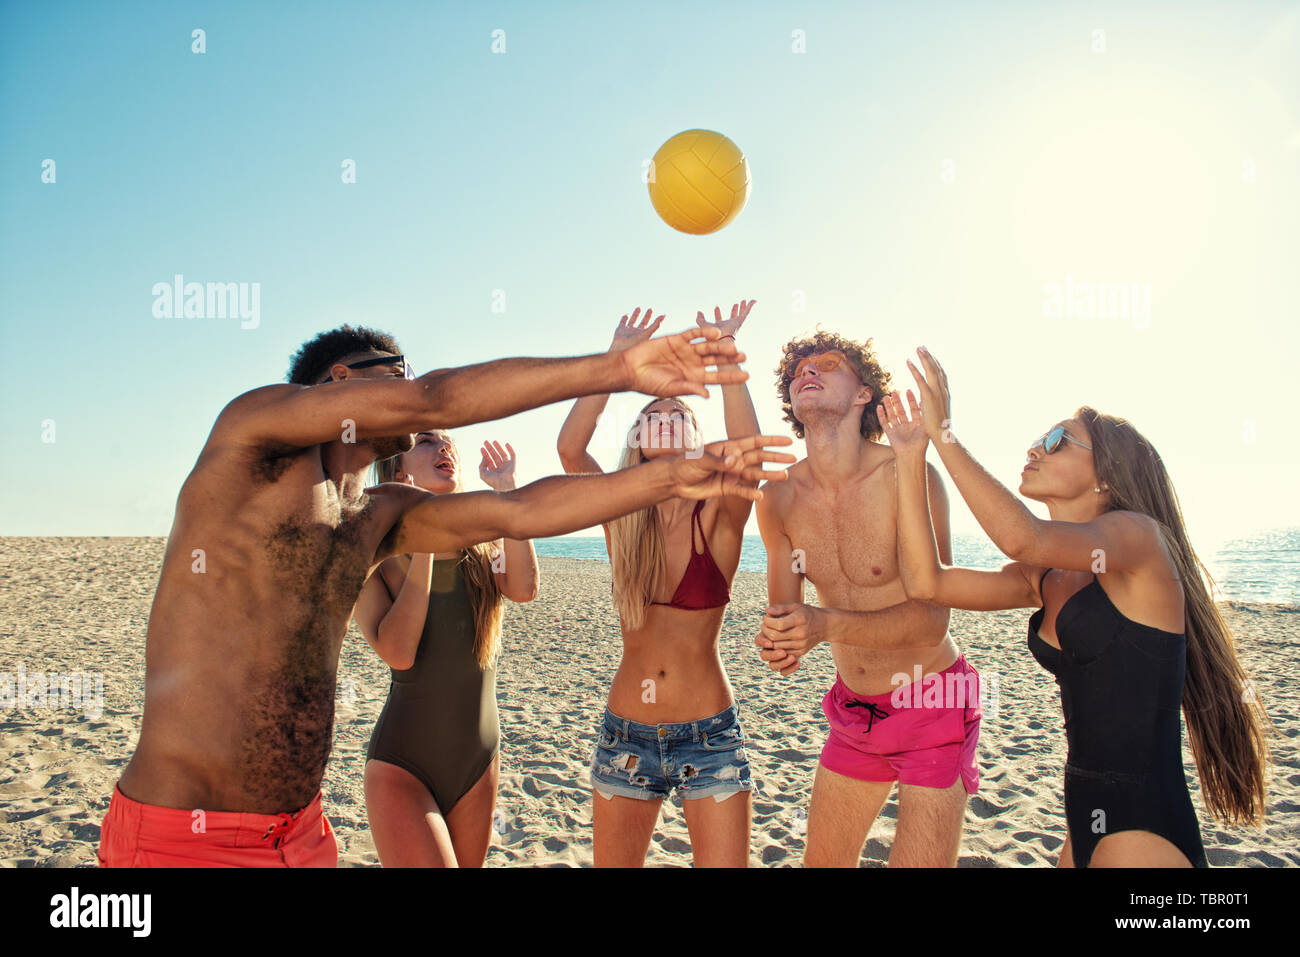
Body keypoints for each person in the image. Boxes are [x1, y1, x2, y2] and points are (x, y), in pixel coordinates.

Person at [97, 322, 793, 867]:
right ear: (339, 381)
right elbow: (436, 399)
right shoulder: (256, 436)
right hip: (181, 835)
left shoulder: (375, 514)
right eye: (393, 373)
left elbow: (515, 513)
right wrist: (614, 369)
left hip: (301, 834)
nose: (408, 386)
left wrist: (674, 478)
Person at [878, 344, 1270, 867]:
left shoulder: (1140, 541)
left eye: (1058, 441)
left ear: (1106, 475)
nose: (1036, 448)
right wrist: (910, 459)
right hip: (1084, 819)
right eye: (1040, 438)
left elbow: (1022, 536)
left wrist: (946, 435)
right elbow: (927, 583)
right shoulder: (1048, 576)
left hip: (1145, 827)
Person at [557, 301, 772, 867]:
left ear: (697, 437)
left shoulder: (719, 520)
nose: (666, 415)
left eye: (679, 411)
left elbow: (749, 459)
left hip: (710, 734)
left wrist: (726, 360)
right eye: (653, 411)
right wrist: (613, 361)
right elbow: (570, 450)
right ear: (638, 438)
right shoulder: (621, 517)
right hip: (626, 736)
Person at [752, 329, 978, 868]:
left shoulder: (909, 476)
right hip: (854, 714)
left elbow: (930, 620)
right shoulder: (776, 498)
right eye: (799, 368)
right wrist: (781, 642)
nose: (807, 370)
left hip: (932, 702)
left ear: (863, 396)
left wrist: (822, 624)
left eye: (827, 364)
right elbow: (789, 619)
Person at [352, 432, 536, 867]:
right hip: (402, 766)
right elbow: (398, 653)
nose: (444, 449)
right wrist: (424, 545)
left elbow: (524, 589)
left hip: (478, 760)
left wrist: (506, 494)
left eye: (449, 443)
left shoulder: (482, 538)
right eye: (428, 442)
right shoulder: (372, 557)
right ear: (398, 470)